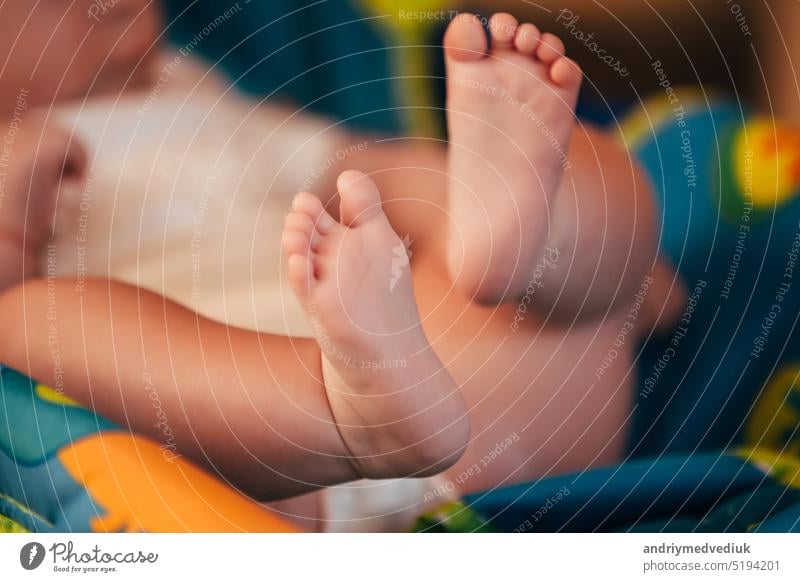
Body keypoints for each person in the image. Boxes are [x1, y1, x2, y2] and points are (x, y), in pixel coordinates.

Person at [0, 2, 681, 529]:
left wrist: (479, 209)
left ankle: (542, 246)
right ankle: (348, 413)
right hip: (263, 474)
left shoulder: (190, 90)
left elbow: (353, 171)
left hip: (490, 395)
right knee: (27, 322)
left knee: (587, 168)